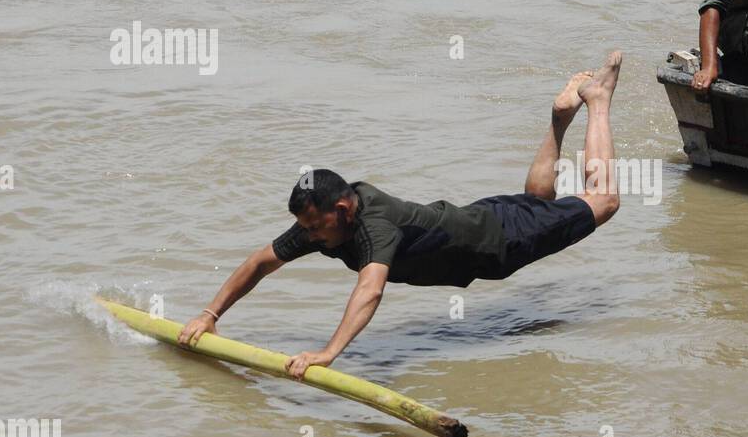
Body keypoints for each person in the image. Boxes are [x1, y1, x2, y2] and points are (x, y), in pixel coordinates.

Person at [177, 52, 623, 377]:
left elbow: (370, 292)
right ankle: (558, 118)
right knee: (538, 202)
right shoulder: (324, 225)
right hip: (476, 218)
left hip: (499, 243)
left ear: (341, 209)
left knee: (603, 201)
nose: (307, 236)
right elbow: (260, 262)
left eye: (313, 226)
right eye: (304, 227)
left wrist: (328, 353)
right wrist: (209, 315)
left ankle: (597, 100)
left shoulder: (373, 227)